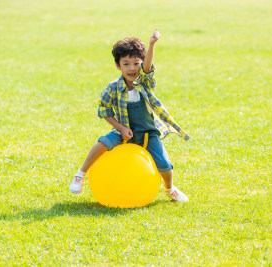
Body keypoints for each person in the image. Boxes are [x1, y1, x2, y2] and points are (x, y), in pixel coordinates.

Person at [69, 29, 190, 202]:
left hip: (148, 132)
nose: (131, 68)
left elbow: (148, 69)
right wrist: (121, 128)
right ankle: (80, 175)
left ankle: (170, 189)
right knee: (102, 143)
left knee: (165, 164)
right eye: (126, 64)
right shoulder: (112, 88)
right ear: (118, 66)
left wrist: (151, 44)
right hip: (123, 131)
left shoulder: (145, 83)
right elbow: (104, 111)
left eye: (136, 63)